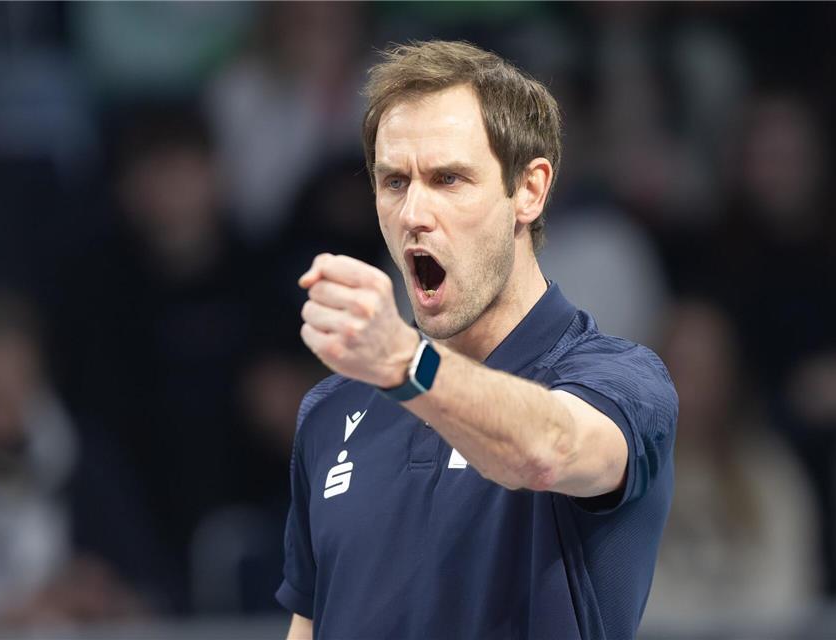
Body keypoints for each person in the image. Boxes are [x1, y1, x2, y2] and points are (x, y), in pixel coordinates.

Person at [277, 41, 678, 640]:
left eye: (448, 179)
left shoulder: (622, 380)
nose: (414, 211)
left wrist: (403, 362)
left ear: (530, 190)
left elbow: (548, 447)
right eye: (393, 182)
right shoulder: (330, 410)